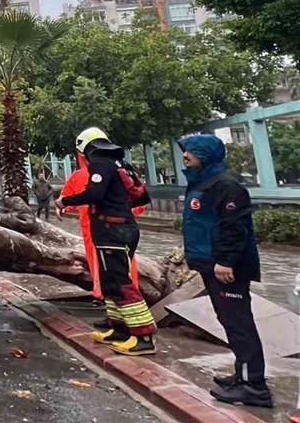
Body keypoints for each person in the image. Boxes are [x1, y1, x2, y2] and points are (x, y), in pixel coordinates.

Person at [179, 134, 273, 408]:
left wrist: (226, 261)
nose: (186, 157)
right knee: (229, 321)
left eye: (191, 153)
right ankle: (242, 375)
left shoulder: (226, 186)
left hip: (226, 268)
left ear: (205, 155)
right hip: (212, 264)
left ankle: (254, 387)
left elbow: (234, 228)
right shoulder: (204, 183)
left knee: (239, 323)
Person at [57, 127, 156, 355]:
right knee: (110, 280)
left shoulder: (100, 164)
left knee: (120, 282)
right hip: (123, 227)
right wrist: (119, 208)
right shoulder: (122, 165)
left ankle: (143, 336)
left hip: (111, 230)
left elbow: (94, 194)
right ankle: (119, 330)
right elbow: (142, 196)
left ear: (84, 147)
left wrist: (65, 201)